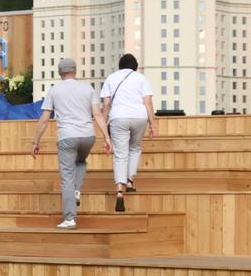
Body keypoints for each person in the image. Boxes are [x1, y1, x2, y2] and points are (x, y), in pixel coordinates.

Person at [29, 57, 106, 230]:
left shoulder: (55, 90)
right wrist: (107, 138)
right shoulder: (88, 88)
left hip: (67, 136)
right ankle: (77, 190)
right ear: (75, 71)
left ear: (59, 72)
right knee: (80, 161)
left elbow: (44, 119)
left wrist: (36, 141)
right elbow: (98, 115)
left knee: (66, 179)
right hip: (88, 136)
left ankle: (70, 218)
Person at [96, 53, 156, 214]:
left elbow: (106, 105)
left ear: (120, 66)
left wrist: (104, 128)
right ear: (135, 66)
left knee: (120, 154)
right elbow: (148, 102)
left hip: (118, 118)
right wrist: (152, 123)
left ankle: (119, 190)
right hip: (139, 117)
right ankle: (130, 181)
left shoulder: (111, 78)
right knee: (135, 148)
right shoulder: (141, 78)